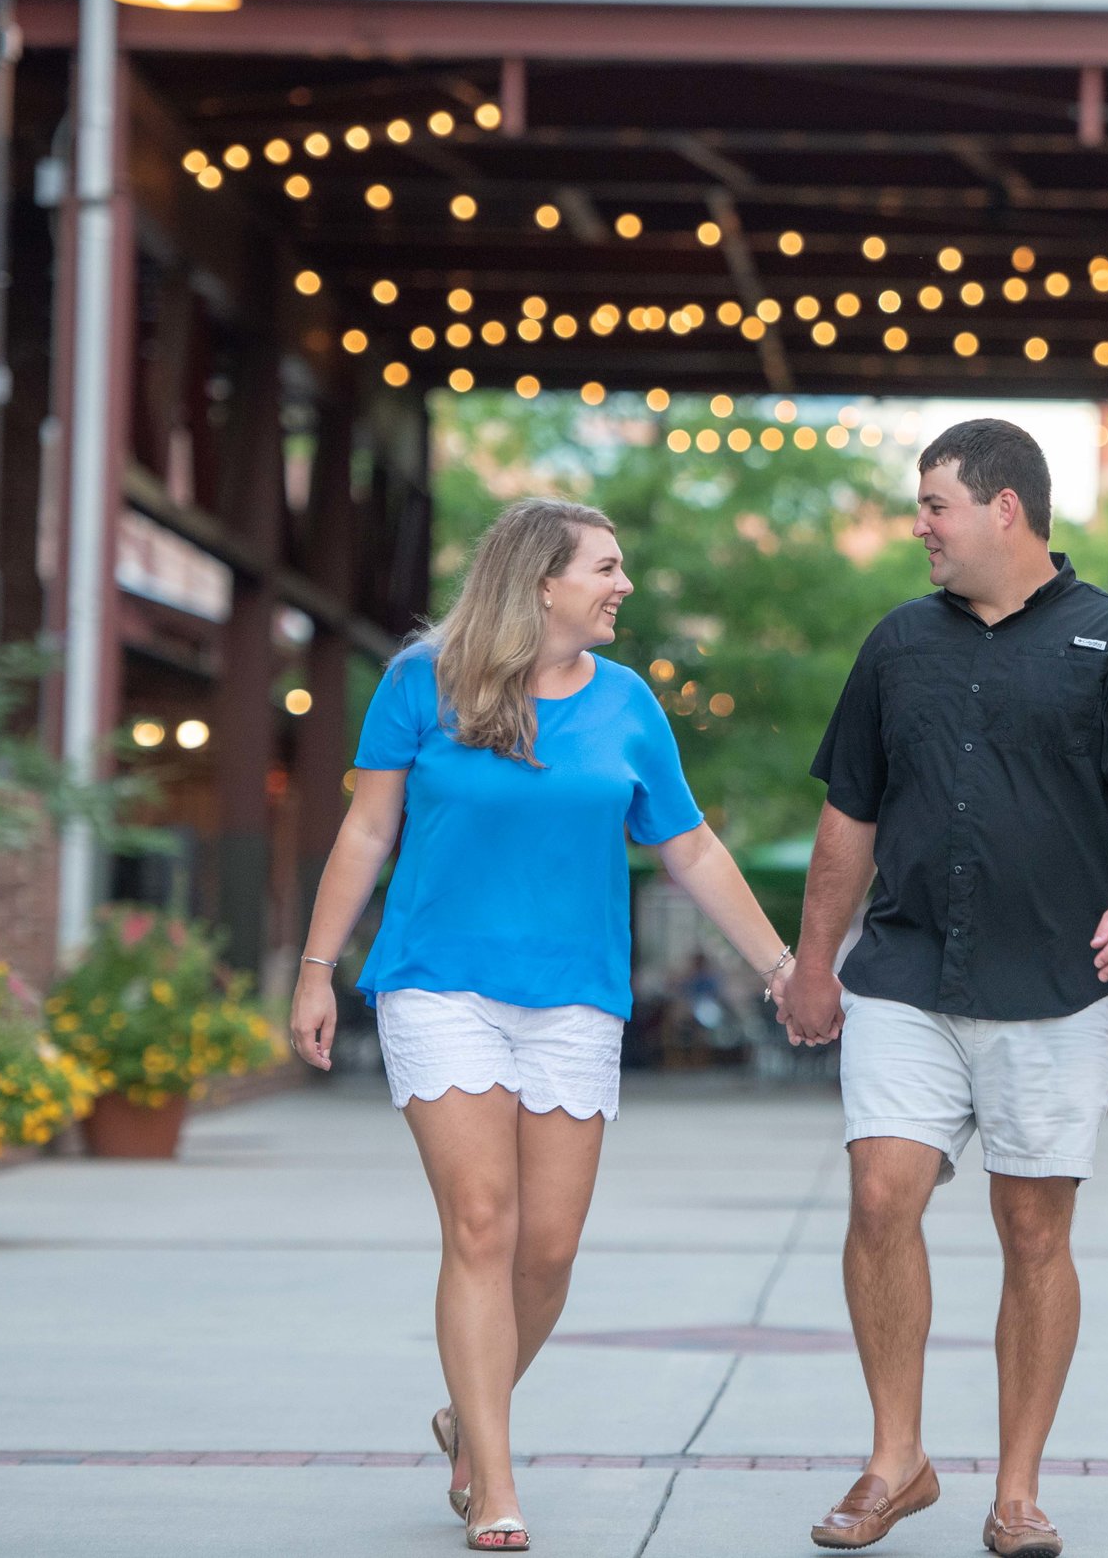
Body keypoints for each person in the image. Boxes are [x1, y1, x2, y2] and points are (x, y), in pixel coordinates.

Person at [289, 497, 796, 1554]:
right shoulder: (418, 682)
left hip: (574, 997)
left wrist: (780, 966)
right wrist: (316, 969)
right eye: (604, 568)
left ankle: (463, 1410)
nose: (621, 586)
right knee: (482, 1223)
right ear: (539, 582)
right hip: (442, 983)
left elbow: (689, 846)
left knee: (549, 1251)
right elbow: (368, 826)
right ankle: (494, 1477)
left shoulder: (626, 703)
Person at [777, 419, 1108, 1558]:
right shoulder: (894, 646)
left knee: (1031, 1231)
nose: (918, 525)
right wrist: (814, 959)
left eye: (934, 505)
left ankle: (1017, 1490)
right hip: (906, 973)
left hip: (1060, 984)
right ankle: (894, 1459)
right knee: (881, 1197)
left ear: (1004, 506)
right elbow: (847, 817)